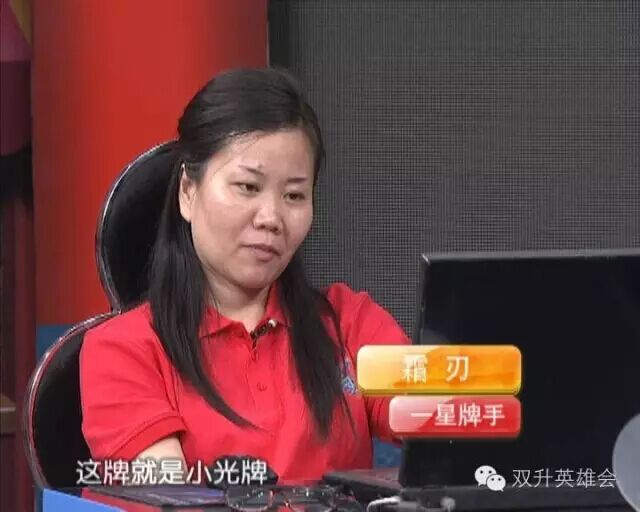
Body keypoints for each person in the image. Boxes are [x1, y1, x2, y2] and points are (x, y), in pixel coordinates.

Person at [80, 67, 410, 484]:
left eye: (294, 195)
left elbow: (445, 419)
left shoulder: (350, 322)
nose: (271, 217)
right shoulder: (121, 351)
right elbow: (170, 498)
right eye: (248, 187)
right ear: (188, 192)